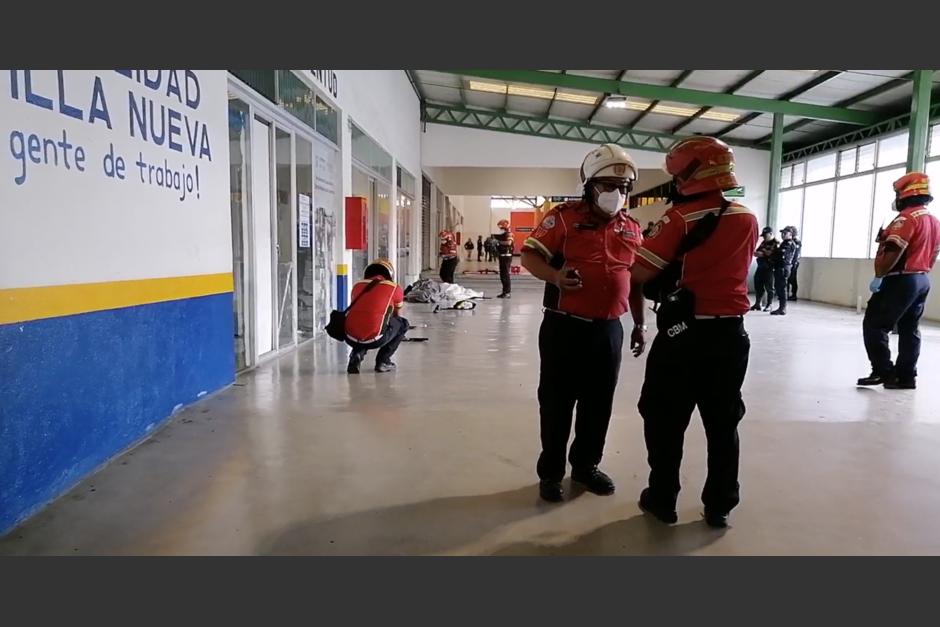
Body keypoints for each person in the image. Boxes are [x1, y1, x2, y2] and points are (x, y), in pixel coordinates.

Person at [630, 136, 757, 529]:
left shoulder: (679, 218)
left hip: (684, 334)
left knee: (663, 417)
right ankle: (720, 504)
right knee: (722, 422)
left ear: (691, 173)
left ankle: (663, 497)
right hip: (731, 335)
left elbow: (641, 272)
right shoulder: (747, 218)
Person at [521, 143, 645, 503]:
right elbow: (530, 256)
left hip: (609, 330)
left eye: (623, 188)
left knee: (599, 403)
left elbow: (636, 281)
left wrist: (639, 323)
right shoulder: (562, 218)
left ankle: (586, 466)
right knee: (557, 402)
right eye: (608, 186)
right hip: (564, 327)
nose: (616, 194)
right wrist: (556, 277)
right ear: (589, 186)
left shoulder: (633, 228)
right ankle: (551, 473)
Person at [857, 172, 940, 390]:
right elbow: (933, 255)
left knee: (875, 324)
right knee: (909, 328)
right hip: (922, 279)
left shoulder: (906, 218)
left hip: (901, 280)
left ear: (905, 194)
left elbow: (894, 250)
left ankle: (883, 371)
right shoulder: (933, 221)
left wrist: (880, 274)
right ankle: (906, 377)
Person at [345, 259, 409, 374]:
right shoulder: (394, 287)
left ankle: (356, 354)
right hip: (375, 339)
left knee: (362, 322)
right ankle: (383, 361)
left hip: (350, 337)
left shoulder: (357, 285)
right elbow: (397, 315)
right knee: (403, 324)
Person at [770, 227, 797, 316]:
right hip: (780, 267)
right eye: (782, 233)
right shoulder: (784, 243)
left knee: (782, 288)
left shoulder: (789, 243)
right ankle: (781, 307)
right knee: (779, 287)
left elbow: (781, 255)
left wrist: (773, 254)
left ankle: (782, 308)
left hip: (783, 267)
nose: (783, 235)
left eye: (785, 233)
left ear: (790, 234)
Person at [751, 227, 778, 312]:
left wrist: (763, 253)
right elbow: (756, 252)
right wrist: (763, 253)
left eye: (766, 235)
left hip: (769, 268)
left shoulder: (776, 243)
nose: (764, 237)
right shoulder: (764, 242)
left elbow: (771, 254)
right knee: (758, 284)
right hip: (761, 267)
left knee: (769, 287)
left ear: (771, 234)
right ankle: (757, 304)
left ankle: (769, 304)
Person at [495, 219, 514, 298]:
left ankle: (507, 292)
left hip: (506, 256)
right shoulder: (504, 234)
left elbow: (509, 243)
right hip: (502, 255)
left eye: (501, 227)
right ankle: (504, 291)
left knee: (505, 274)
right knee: (503, 275)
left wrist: (497, 242)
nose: (500, 229)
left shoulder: (509, 233)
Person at [787, 226, 802, 300]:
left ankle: (794, 295)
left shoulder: (797, 242)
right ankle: (786, 293)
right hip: (788, 263)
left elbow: (796, 254)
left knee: (793, 279)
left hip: (794, 263)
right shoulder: (788, 241)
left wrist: (793, 263)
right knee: (787, 278)